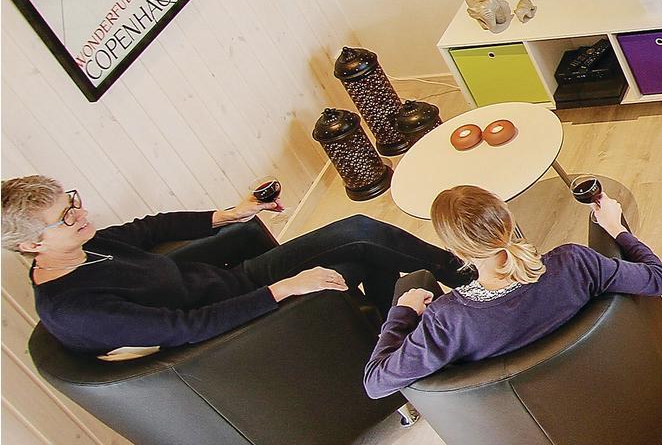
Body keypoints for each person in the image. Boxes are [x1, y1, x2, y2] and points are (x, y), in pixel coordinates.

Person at [3, 174, 469, 357]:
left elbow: (150, 228)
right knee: (360, 241)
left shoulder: (88, 246)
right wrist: (286, 288)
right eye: (66, 217)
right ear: (30, 245)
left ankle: (395, 334)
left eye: (73, 201)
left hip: (234, 283)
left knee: (362, 238)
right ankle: (469, 282)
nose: (81, 214)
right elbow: (190, 327)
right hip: (232, 324)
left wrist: (231, 214)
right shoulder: (76, 308)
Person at [363, 184, 662, 398]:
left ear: (457, 252)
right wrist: (616, 228)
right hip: (612, 385)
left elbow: (375, 383)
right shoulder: (574, 264)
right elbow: (659, 279)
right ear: (509, 221)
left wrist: (403, 313)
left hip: (534, 429)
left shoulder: (448, 322)